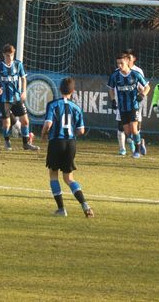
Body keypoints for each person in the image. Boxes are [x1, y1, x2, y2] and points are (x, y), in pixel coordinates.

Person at [41, 77, 93, 218]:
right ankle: (85, 205)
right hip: (70, 143)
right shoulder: (76, 108)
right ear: (73, 91)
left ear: (59, 89)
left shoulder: (52, 104)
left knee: (53, 174)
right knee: (69, 178)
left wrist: (43, 134)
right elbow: (81, 131)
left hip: (56, 142)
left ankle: (61, 209)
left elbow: (48, 124)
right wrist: (72, 134)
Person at [0, 44, 39, 151]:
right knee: (6, 124)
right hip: (4, 99)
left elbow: (23, 78)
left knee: (25, 121)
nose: (9, 58)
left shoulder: (18, 64)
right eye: (7, 55)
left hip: (16, 98)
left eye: (11, 55)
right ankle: (7, 142)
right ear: (3, 55)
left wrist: (24, 91)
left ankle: (26, 144)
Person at [108, 53, 149, 158]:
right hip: (122, 108)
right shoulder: (114, 75)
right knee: (127, 133)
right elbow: (111, 88)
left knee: (134, 129)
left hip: (133, 106)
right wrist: (113, 100)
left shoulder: (135, 74)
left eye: (121, 63)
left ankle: (137, 151)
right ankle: (140, 142)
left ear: (127, 62)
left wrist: (143, 94)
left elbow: (147, 87)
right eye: (118, 63)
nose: (119, 65)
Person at [122, 48, 149, 155]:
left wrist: (141, 94)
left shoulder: (137, 71)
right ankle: (138, 143)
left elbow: (143, 87)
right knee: (125, 130)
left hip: (134, 102)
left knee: (135, 127)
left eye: (129, 57)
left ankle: (136, 148)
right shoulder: (119, 70)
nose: (127, 60)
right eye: (126, 57)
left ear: (134, 59)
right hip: (122, 103)